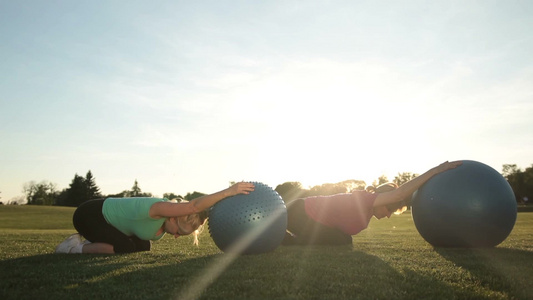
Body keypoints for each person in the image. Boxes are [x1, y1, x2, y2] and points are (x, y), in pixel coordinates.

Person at [282, 161, 463, 246]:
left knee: (344, 240)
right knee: (341, 241)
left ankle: (285, 237)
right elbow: (399, 193)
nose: (388, 214)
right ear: (381, 198)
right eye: (389, 208)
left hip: (311, 222)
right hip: (298, 212)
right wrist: (435, 171)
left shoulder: (367, 214)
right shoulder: (363, 199)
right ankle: (284, 238)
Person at [55, 182, 255, 254]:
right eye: (179, 232)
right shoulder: (159, 208)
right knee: (125, 247)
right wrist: (228, 192)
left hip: (106, 223)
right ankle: (73, 249)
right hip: (90, 215)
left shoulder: (163, 225)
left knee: (143, 246)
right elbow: (195, 205)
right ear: (175, 218)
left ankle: (93, 241)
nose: (176, 236)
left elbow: (199, 212)